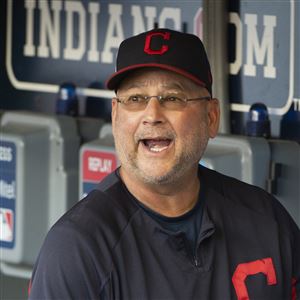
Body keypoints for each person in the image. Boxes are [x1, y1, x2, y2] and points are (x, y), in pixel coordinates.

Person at [28, 28, 299, 300]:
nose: (152, 115)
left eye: (172, 98)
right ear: (115, 116)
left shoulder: (267, 221)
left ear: (211, 117)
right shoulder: (77, 249)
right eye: (135, 99)